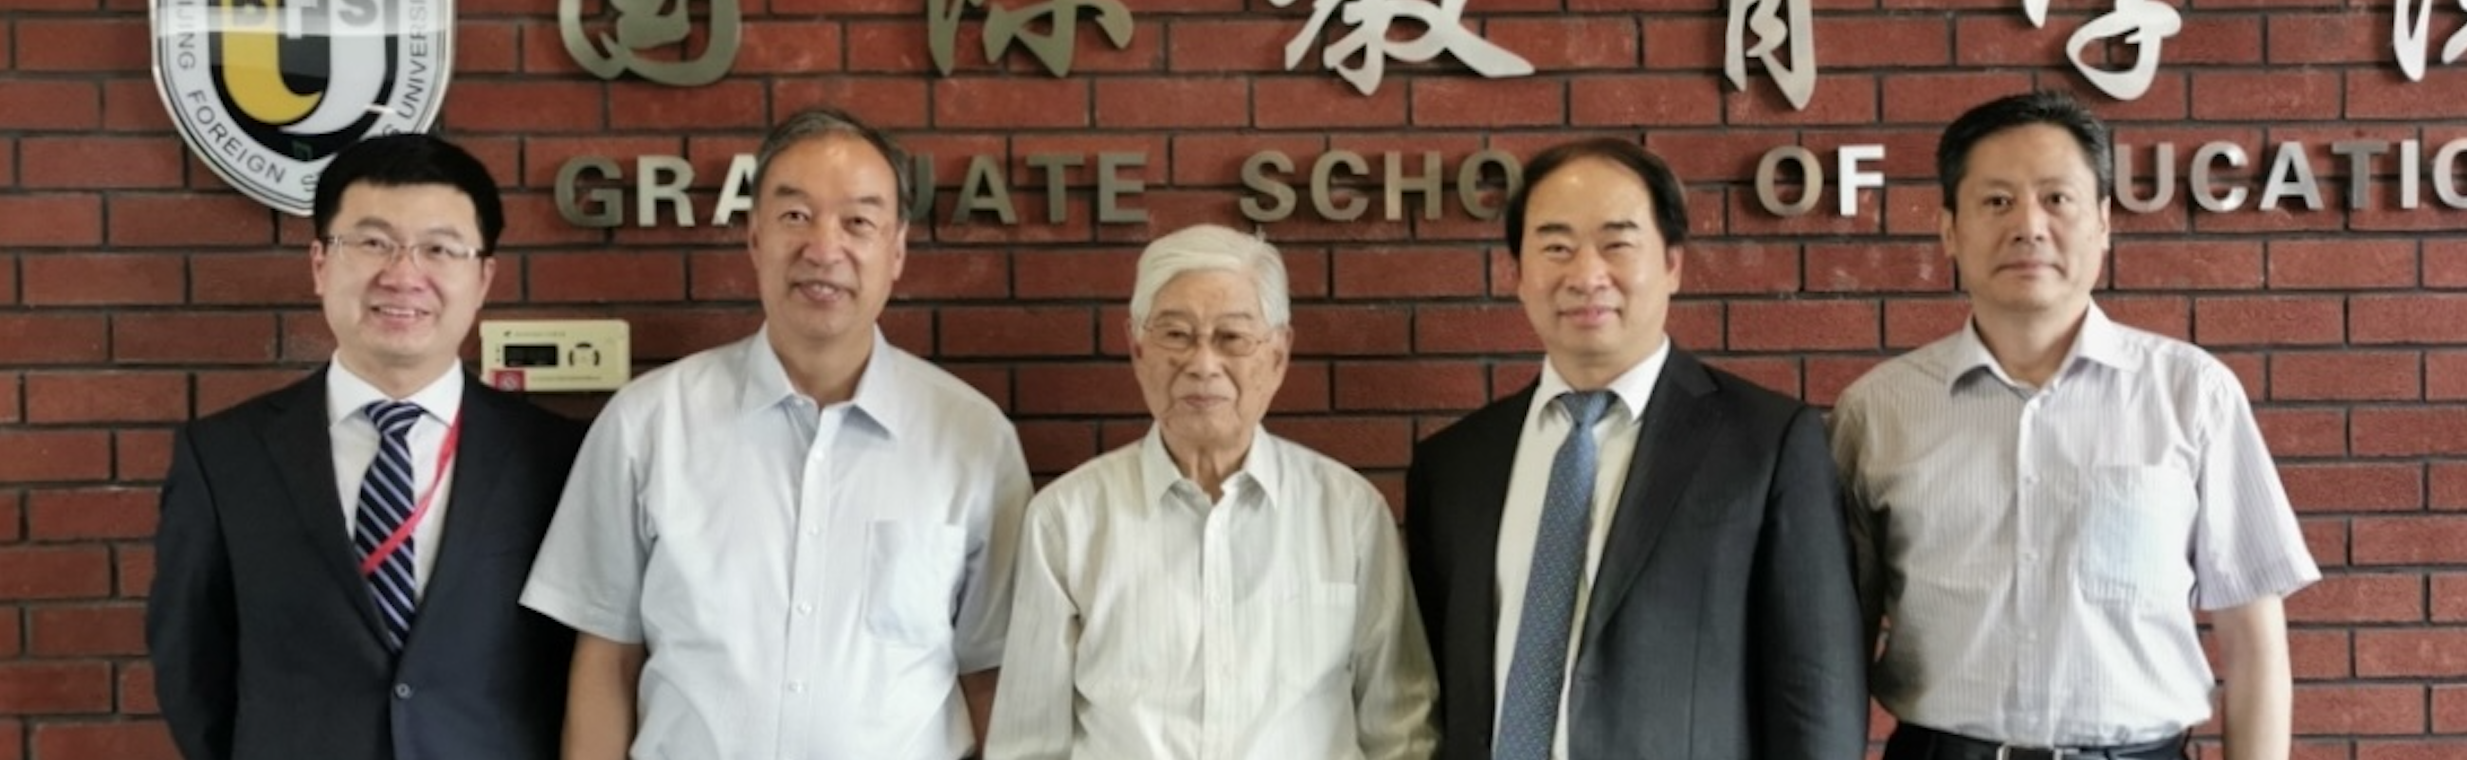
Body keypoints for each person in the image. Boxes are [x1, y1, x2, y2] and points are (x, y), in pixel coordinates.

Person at [521, 107, 1034, 760]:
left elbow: (989, 672)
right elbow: (606, 660)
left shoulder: (974, 440)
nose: (823, 249)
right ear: (755, 238)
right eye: (795, 215)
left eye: (858, 222)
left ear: (897, 250)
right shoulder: (647, 424)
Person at [1830, 90, 2319, 760]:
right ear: (1949, 230)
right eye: (1996, 201)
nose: (2029, 226)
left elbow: (2254, 642)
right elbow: (1834, 644)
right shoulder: (1876, 411)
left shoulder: (2191, 394)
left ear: (2104, 223)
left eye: (2057, 198)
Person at [1403, 138, 1867, 760]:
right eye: (1556, 247)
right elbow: (1432, 686)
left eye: (1617, 244)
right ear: (1517, 274)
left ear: (1672, 263)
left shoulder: (1768, 445)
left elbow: (1817, 696)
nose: (1586, 275)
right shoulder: (1454, 465)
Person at [148, 133, 585, 760]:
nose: (403, 275)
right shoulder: (223, 456)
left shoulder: (557, 456)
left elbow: (581, 662)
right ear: (320, 264)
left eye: (439, 248)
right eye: (372, 243)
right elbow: (191, 665)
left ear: (483, 277)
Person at [987, 224, 1438, 759]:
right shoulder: (1066, 521)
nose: (1203, 365)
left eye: (1232, 338)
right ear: (1136, 347)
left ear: (1277, 354)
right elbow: (1029, 743)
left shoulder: (1349, 513)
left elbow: (1399, 726)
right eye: (1176, 335)